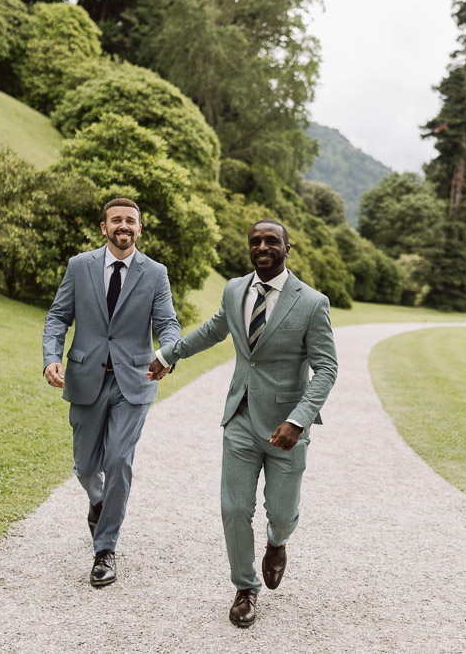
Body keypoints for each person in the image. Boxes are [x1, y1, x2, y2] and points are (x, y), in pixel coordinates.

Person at [148, 218, 337, 627]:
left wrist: (299, 420)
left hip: (286, 428)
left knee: (283, 514)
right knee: (234, 508)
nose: (263, 246)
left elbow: (326, 368)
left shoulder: (312, 302)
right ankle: (245, 588)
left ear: (287, 249)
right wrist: (169, 355)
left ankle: (277, 543)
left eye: (272, 241)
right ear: (249, 248)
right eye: (256, 241)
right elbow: (215, 330)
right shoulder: (235, 289)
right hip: (240, 416)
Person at [43, 198, 181, 587]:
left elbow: (168, 323)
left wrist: (167, 353)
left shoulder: (155, 273)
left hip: (134, 382)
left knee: (119, 458)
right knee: (86, 467)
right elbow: (58, 316)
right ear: (103, 227)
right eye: (116, 220)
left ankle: (105, 549)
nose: (124, 226)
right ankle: (99, 502)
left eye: (131, 221)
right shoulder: (79, 266)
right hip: (86, 377)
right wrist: (51, 356)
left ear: (140, 228)